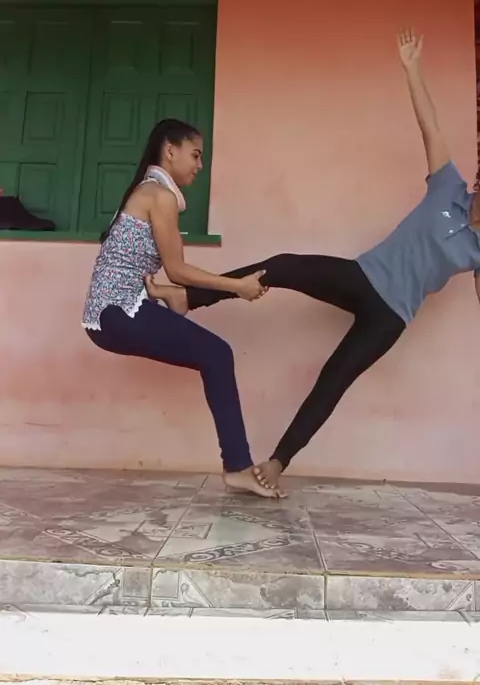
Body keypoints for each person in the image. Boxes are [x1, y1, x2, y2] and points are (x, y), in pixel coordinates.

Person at [147, 30, 480, 492]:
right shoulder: (448, 187)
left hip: (392, 317)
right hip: (364, 276)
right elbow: (431, 126)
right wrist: (412, 69)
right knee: (284, 265)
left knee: (333, 379)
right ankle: (190, 297)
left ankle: (278, 462)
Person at [82, 118, 279, 499]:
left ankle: (237, 465)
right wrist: (238, 286)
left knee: (214, 354)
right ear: (170, 151)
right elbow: (178, 269)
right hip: (116, 313)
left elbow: (132, 263)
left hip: (112, 312)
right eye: (196, 155)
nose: (200, 165)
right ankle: (238, 468)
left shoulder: (148, 190)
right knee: (218, 355)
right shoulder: (160, 195)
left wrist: (158, 292)